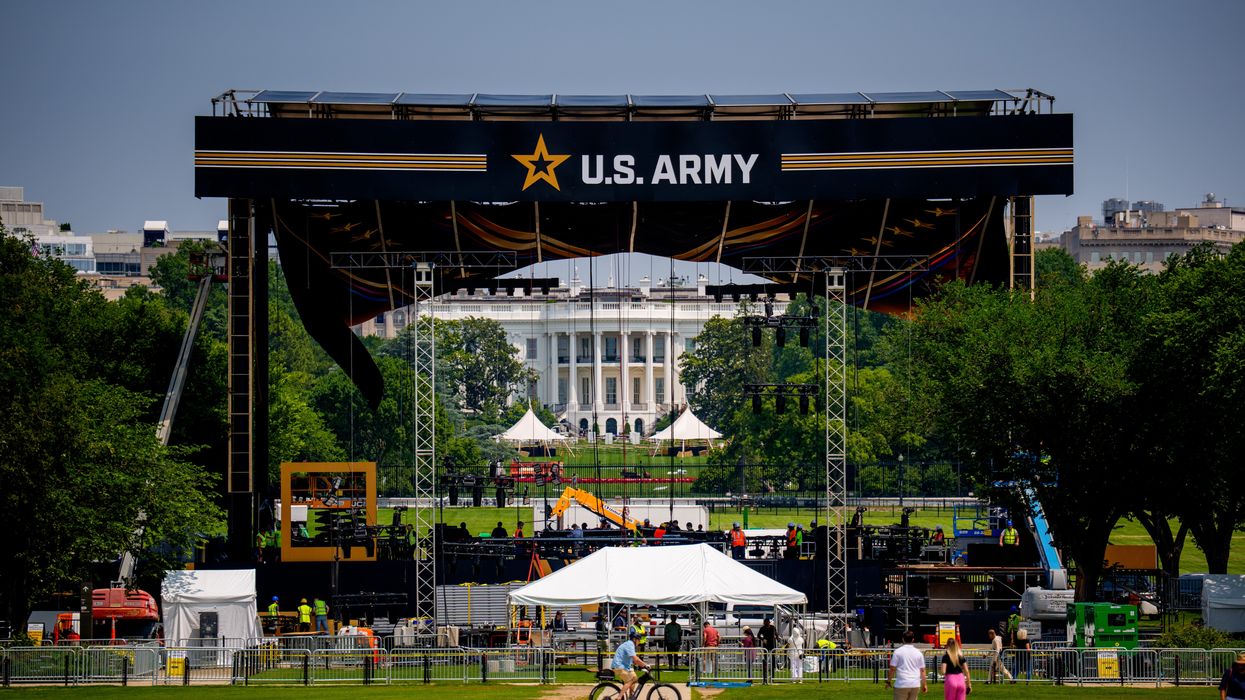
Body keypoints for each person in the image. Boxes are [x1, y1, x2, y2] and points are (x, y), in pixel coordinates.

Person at [885, 629, 928, 699]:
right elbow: (922, 670)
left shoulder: (897, 652)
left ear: (903, 639)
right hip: (915, 684)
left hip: (901, 683)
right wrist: (924, 684)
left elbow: (892, 669)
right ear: (913, 640)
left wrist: (888, 681)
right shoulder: (918, 653)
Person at [611, 630, 650, 700]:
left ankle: (631, 697)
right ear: (634, 639)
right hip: (619, 667)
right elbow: (636, 659)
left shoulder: (630, 645)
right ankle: (619, 697)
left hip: (624, 667)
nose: (639, 641)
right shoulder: (629, 644)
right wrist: (645, 665)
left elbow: (634, 660)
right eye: (639, 640)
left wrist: (639, 664)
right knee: (630, 680)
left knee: (634, 678)